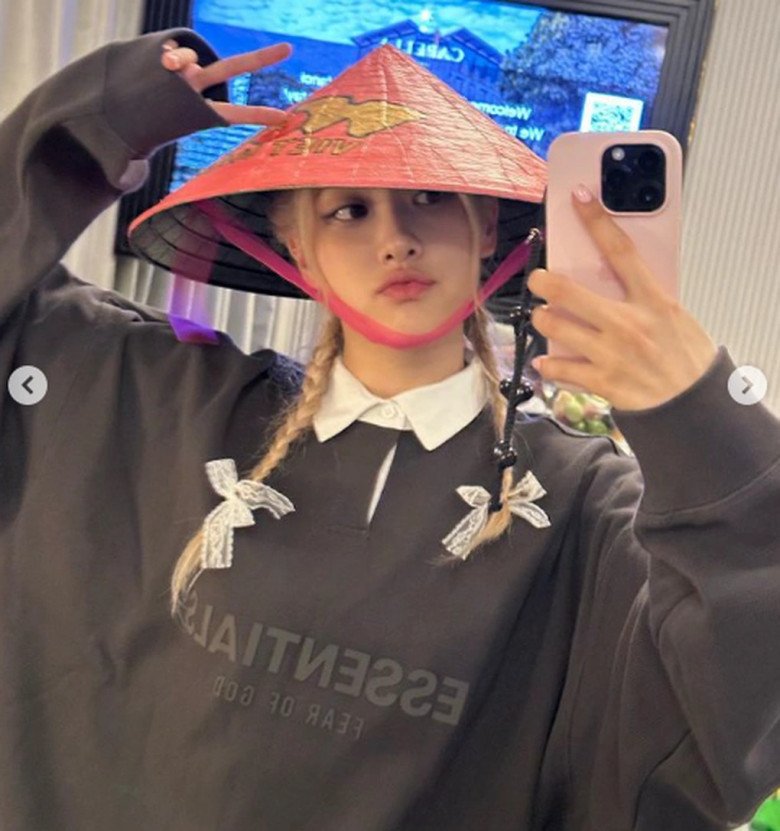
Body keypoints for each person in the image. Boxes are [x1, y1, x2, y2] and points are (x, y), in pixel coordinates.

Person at [0, 27, 777, 831]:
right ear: (298, 250)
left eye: (431, 199)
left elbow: (731, 710)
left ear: (487, 229)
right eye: (349, 210)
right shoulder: (175, 402)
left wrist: (700, 409)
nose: (396, 239)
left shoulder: (583, 505)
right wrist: (95, 120)